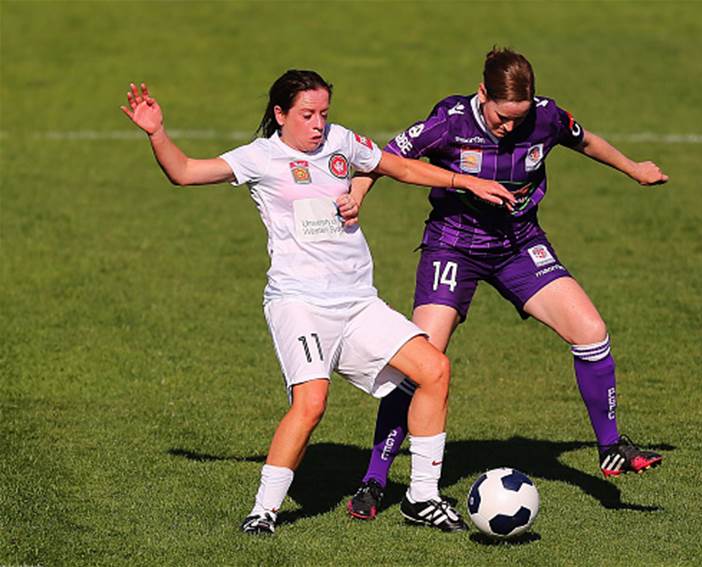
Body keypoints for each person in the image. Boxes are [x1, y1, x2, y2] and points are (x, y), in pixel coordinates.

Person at [121, 70, 517, 535]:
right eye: (307, 115)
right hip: (300, 303)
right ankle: (263, 511)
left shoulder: (341, 142)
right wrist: (158, 133)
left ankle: (422, 497)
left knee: (434, 370)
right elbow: (184, 173)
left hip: (357, 302)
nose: (317, 124)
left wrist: (463, 182)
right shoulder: (261, 157)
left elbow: (400, 167)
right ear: (280, 114)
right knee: (311, 403)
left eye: (323, 114)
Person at [345, 48, 669, 521]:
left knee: (592, 332)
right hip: (453, 247)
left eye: (519, 119)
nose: (510, 128)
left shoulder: (546, 117)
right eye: (502, 118)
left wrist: (634, 168)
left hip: (519, 245)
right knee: (421, 363)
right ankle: (374, 480)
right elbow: (383, 158)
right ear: (483, 95)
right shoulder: (449, 121)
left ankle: (611, 446)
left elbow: (587, 141)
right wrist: (354, 197)